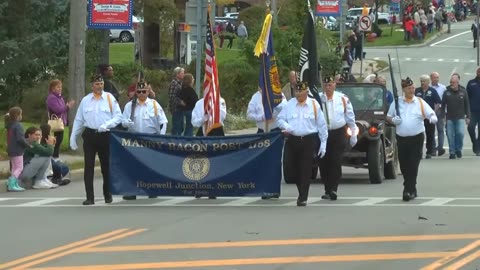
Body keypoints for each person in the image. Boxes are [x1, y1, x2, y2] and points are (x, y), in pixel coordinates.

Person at [70, 73, 122, 205]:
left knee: (106, 167)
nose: (100, 86)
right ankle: (90, 197)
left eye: (101, 83)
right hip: (90, 135)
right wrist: (73, 137)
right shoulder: (86, 100)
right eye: (97, 84)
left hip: (105, 135)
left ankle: (107, 194)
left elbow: (118, 116)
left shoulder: (109, 98)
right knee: (89, 166)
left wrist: (107, 125)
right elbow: (79, 120)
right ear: (92, 85)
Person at [276, 81, 328, 206]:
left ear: (306, 92)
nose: (298, 94)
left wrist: (323, 143)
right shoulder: (289, 104)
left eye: (301, 91)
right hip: (293, 140)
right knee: (291, 168)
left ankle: (303, 196)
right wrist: (286, 126)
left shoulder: (314, 104)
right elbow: (280, 119)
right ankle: (301, 190)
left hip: (308, 140)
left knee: (305, 169)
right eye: (297, 91)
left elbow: (321, 125)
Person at [387, 77, 437, 201]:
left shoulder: (419, 101)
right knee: (404, 165)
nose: (412, 90)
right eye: (409, 88)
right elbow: (388, 116)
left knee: (413, 164)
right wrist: (393, 120)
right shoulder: (397, 102)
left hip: (417, 138)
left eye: (413, 88)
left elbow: (430, 112)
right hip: (402, 138)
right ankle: (412, 188)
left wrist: (432, 117)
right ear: (404, 89)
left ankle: (407, 191)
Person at [121, 79, 168, 200]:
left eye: (144, 91)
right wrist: (127, 123)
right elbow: (122, 121)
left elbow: (164, 122)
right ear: (136, 92)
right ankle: (132, 190)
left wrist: (161, 137)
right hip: (135, 139)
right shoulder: (130, 106)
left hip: (151, 138)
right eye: (139, 91)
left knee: (150, 165)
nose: (141, 94)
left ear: (148, 91)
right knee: (133, 165)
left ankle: (151, 189)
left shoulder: (154, 105)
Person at [318, 76, 357, 201]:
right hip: (323, 133)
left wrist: (354, 133)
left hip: (338, 133)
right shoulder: (318, 98)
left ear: (335, 85)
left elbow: (350, 117)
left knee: (335, 160)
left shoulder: (342, 98)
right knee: (323, 162)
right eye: (326, 85)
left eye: (330, 84)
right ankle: (327, 189)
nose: (328, 87)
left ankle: (334, 189)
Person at [191, 93, 227, 200]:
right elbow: (194, 122)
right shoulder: (199, 103)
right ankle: (200, 188)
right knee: (200, 160)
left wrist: (212, 110)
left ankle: (213, 188)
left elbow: (222, 117)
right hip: (203, 132)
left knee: (215, 161)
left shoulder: (220, 101)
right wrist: (204, 118)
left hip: (216, 131)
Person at [442, 75, 471, 159]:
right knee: (450, 135)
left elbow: (467, 105)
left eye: (453, 82)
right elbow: (443, 105)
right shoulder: (446, 92)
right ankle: (452, 152)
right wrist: (443, 116)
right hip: (449, 118)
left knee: (460, 133)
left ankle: (458, 149)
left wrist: (468, 116)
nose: (451, 84)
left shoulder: (463, 92)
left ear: (457, 83)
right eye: (451, 82)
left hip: (460, 117)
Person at [46, 79, 75, 160]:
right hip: (55, 122)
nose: (60, 88)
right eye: (58, 87)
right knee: (56, 140)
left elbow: (62, 110)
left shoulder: (60, 98)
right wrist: (68, 106)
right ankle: (54, 157)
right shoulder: (51, 98)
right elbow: (58, 110)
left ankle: (55, 156)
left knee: (59, 140)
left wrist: (66, 107)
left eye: (61, 87)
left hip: (60, 122)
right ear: (52, 88)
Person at [414, 75, 441, 159]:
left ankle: (429, 151)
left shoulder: (432, 91)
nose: (422, 83)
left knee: (430, 135)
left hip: (429, 117)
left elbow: (438, 103)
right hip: (419, 117)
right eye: (421, 81)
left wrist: (433, 112)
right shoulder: (417, 91)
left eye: (424, 81)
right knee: (418, 135)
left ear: (428, 82)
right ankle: (418, 152)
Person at [4, 107, 30, 191]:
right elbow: (20, 139)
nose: (21, 116)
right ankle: (11, 183)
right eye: (21, 114)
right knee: (19, 168)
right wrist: (28, 145)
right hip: (17, 150)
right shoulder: (18, 125)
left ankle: (14, 183)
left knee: (14, 168)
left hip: (10, 149)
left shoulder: (10, 125)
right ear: (18, 115)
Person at [430, 72, 447, 156]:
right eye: (434, 77)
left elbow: (446, 100)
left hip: (440, 111)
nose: (436, 79)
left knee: (440, 129)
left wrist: (445, 112)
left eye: (437, 77)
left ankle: (440, 148)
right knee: (431, 130)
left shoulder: (443, 88)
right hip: (431, 111)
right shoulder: (428, 88)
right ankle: (433, 149)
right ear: (431, 78)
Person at [466, 67, 480, 156]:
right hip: (473, 111)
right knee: (470, 127)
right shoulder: (471, 83)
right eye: (478, 71)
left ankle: (478, 148)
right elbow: (466, 97)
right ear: (476, 72)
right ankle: (475, 143)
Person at [168, 67, 185, 136]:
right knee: (176, 127)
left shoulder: (180, 83)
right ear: (177, 74)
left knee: (181, 127)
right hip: (176, 108)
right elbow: (172, 96)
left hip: (181, 109)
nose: (184, 74)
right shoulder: (174, 83)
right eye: (182, 73)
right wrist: (180, 102)